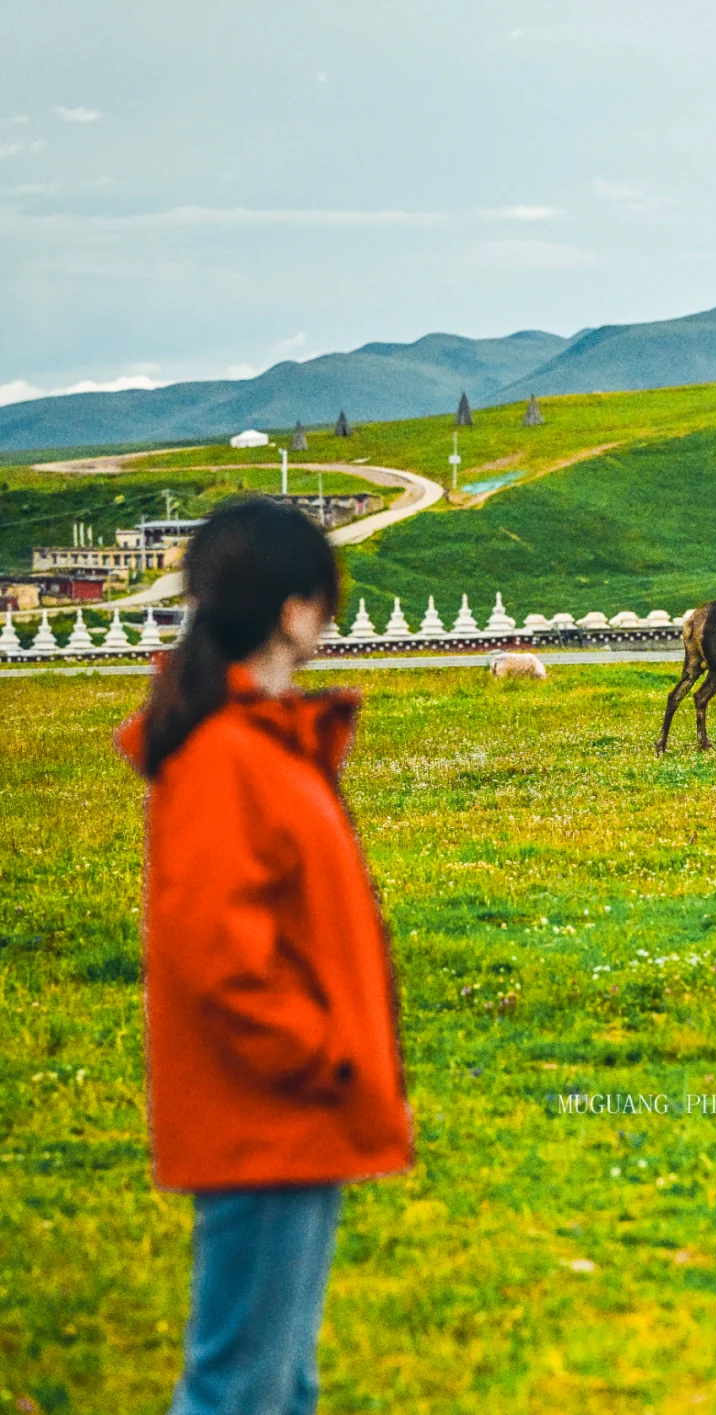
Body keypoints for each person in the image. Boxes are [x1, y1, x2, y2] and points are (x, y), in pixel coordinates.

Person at [115, 499, 413, 1415]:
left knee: (279, 1385)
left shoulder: (264, 743)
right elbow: (219, 953)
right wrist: (322, 1054)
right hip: (271, 1117)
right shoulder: (223, 759)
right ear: (294, 609)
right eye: (327, 596)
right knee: (239, 1389)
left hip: (295, 1118)